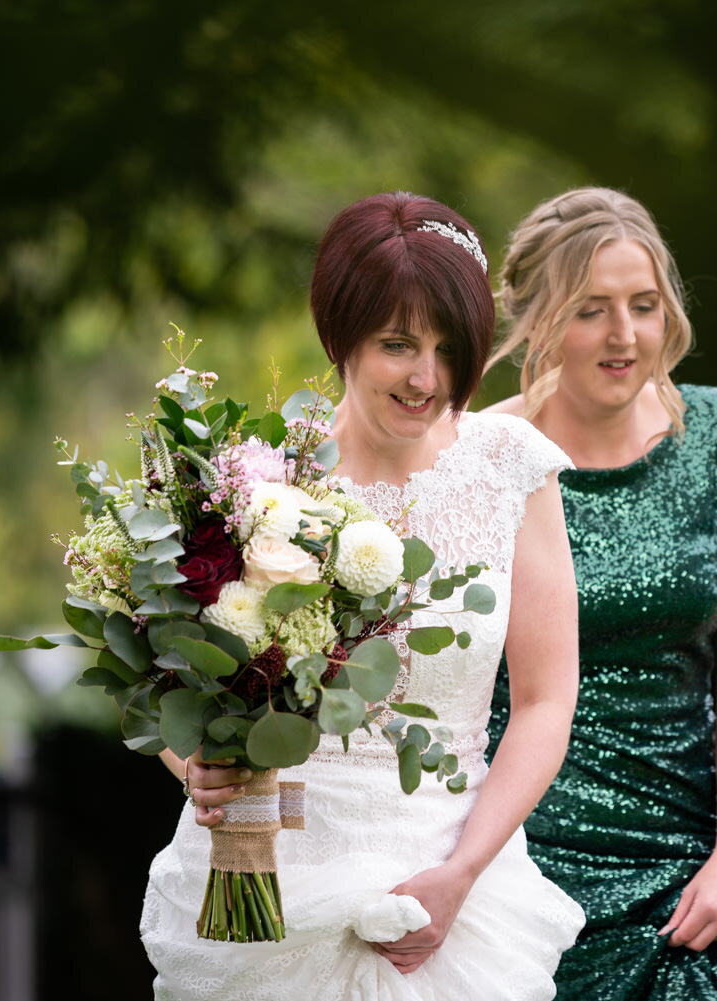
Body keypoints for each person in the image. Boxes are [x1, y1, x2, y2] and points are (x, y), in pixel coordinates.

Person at [139, 192, 585, 1000]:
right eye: (398, 344)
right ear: (339, 334)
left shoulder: (512, 466)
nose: (428, 378)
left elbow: (548, 702)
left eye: (451, 349)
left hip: (452, 873)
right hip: (280, 874)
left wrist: (461, 872)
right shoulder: (255, 478)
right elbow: (166, 671)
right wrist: (194, 763)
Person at [484, 187, 717, 1000]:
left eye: (644, 305)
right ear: (534, 317)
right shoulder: (483, 455)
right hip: (514, 857)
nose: (625, 335)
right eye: (591, 309)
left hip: (686, 855)